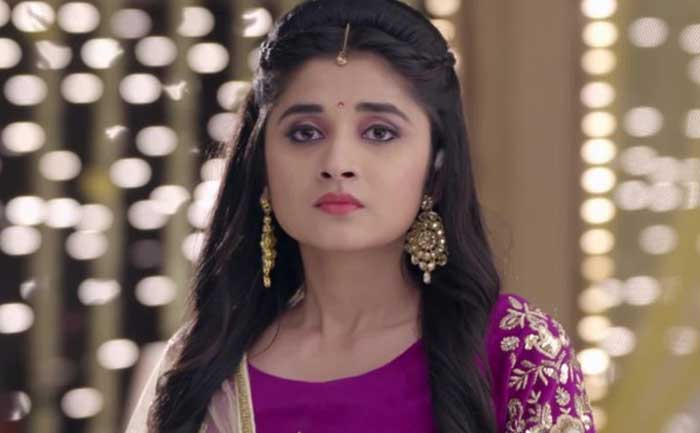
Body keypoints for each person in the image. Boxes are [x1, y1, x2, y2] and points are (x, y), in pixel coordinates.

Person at [125, 0, 597, 432]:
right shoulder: (208, 370)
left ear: (436, 165)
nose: (338, 163)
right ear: (261, 165)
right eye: (305, 133)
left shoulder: (514, 348)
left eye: (379, 133)